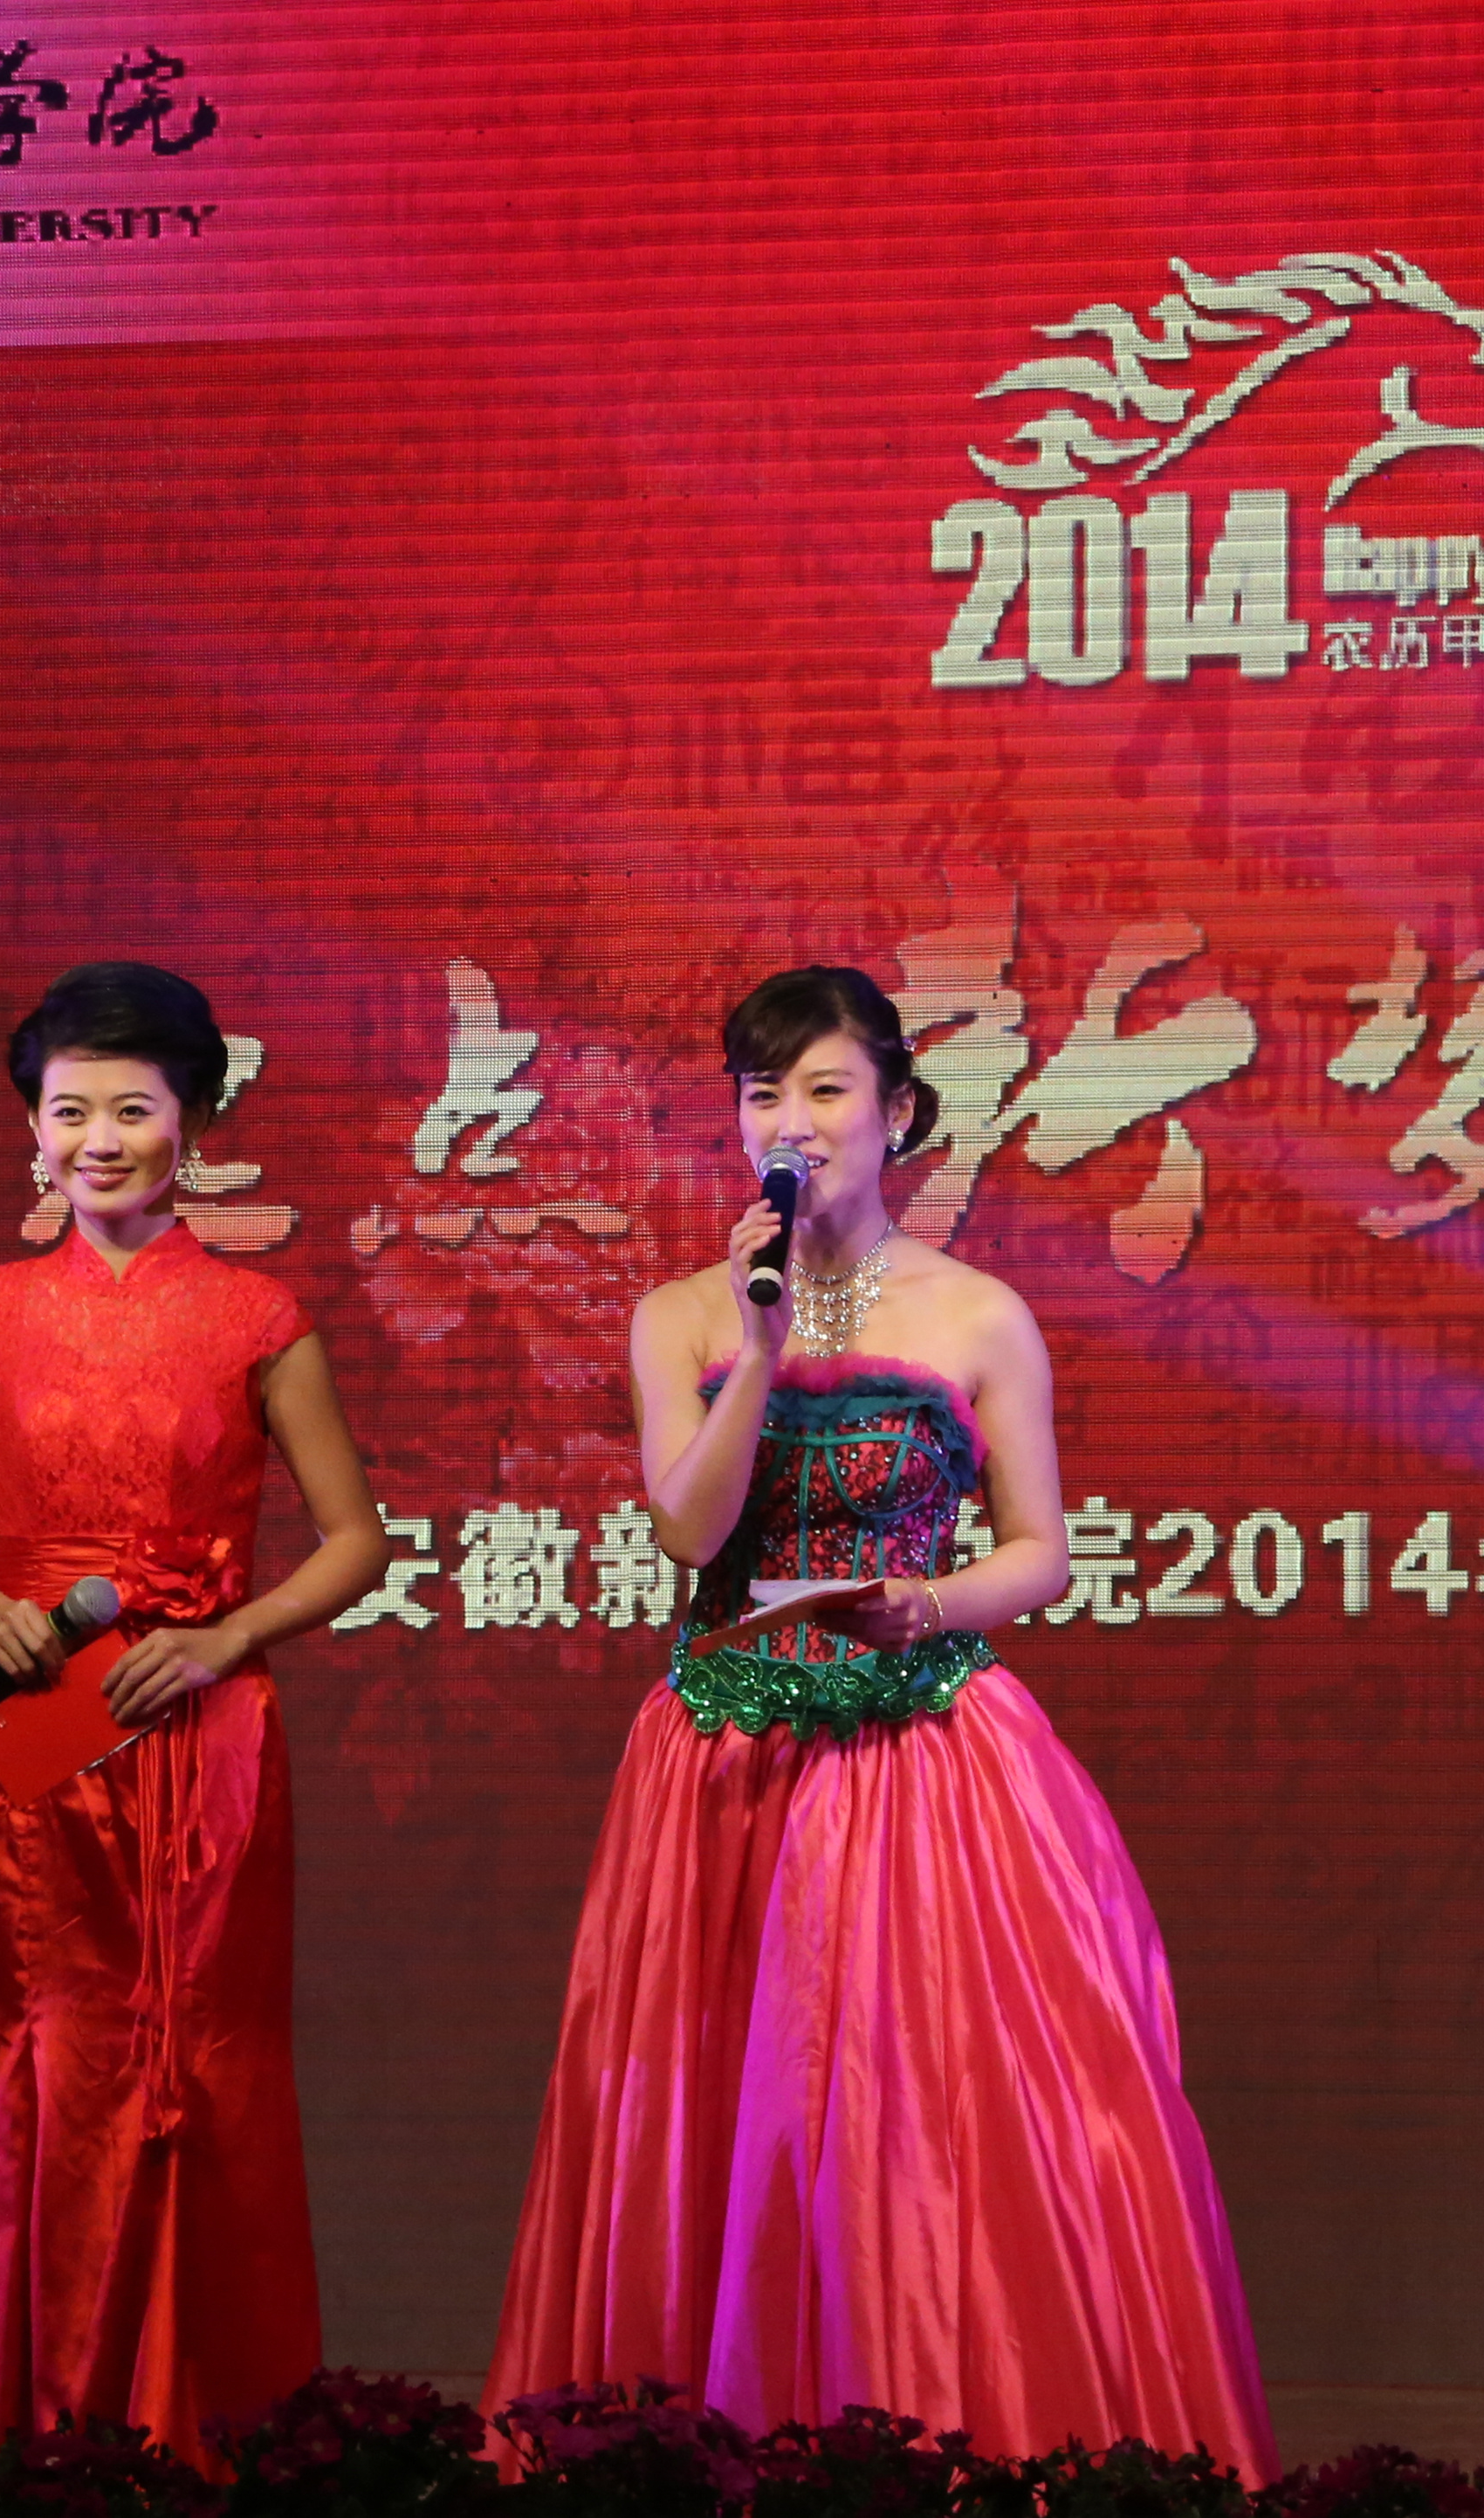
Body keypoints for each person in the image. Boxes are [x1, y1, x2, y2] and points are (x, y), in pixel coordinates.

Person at [485, 967, 1273, 2474]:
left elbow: (1037, 1554)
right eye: (761, 1094)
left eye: (823, 1090)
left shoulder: (976, 1314)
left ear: (896, 1113)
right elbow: (688, 1528)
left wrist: (924, 1604)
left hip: (919, 1763)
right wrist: (761, 1342)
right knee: (710, 2121)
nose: (789, 1121)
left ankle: (935, 2433)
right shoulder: (679, 1315)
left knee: (911, 2124)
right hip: (718, 1768)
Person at [0, 962, 389, 2473]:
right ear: (30, 1129)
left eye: (131, 1109)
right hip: (34, 1735)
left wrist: (225, 1639)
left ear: (194, 1124)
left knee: (188, 2064)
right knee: (28, 2052)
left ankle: (188, 2425)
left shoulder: (254, 1314)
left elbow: (355, 1541)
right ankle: (8, 2427)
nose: (96, 1140)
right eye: (67, 1112)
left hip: (198, 1738)